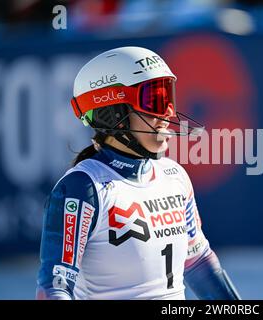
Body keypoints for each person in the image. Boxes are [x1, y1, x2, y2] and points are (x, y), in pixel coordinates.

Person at [36, 46, 241, 300]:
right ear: (113, 112)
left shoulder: (174, 176)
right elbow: (54, 288)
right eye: (154, 99)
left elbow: (198, 262)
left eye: (168, 96)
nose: (167, 112)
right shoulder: (82, 189)